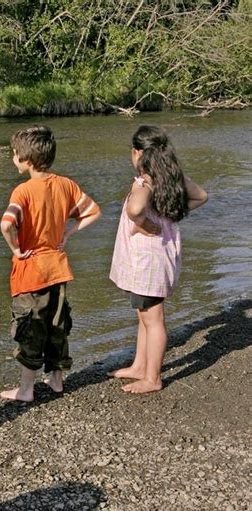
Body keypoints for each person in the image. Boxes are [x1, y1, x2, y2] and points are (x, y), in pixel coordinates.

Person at [0, 125, 101, 402]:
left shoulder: (23, 191)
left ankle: (26, 389)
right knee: (58, 325)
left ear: (27, 160)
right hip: (58, 268)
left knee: (30, 328)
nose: (13, 158)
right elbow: (93, 212)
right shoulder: (66, 185)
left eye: (15, 154)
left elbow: (7, 224)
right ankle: (56, 380)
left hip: (31, 272)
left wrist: (17, 249)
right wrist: (68, 232)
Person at [109, 124, 208, 394]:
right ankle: (140, 366)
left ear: (136, 153)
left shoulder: (146, 180)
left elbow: (135, 208)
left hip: (147, 262)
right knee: (144, 315)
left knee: (153, 319)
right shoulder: (171, 177)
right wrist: (171, 213)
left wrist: (143, 223)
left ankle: (152, 378)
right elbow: (202, 196)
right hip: (158, 258)